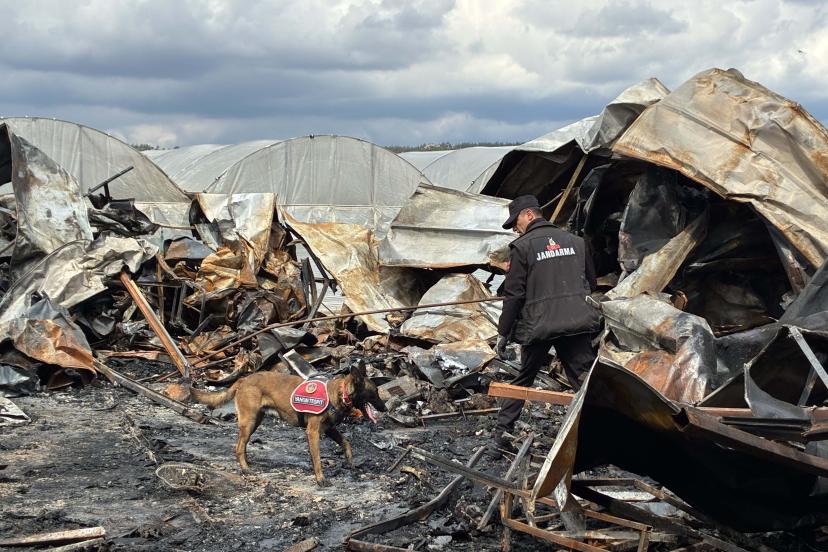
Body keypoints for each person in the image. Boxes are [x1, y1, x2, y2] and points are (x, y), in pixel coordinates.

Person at [489, 195, 599, 457]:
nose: (515, 229)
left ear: (528, 214)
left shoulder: (522, 247)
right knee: (584, 383)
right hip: (577, 322)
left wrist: (503, 333)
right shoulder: (576, 242)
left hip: (539, 327)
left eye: (515, 223)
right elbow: (592, 284)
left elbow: (514, 296)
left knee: (522, 381)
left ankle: (499, 440)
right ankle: (602, 439)